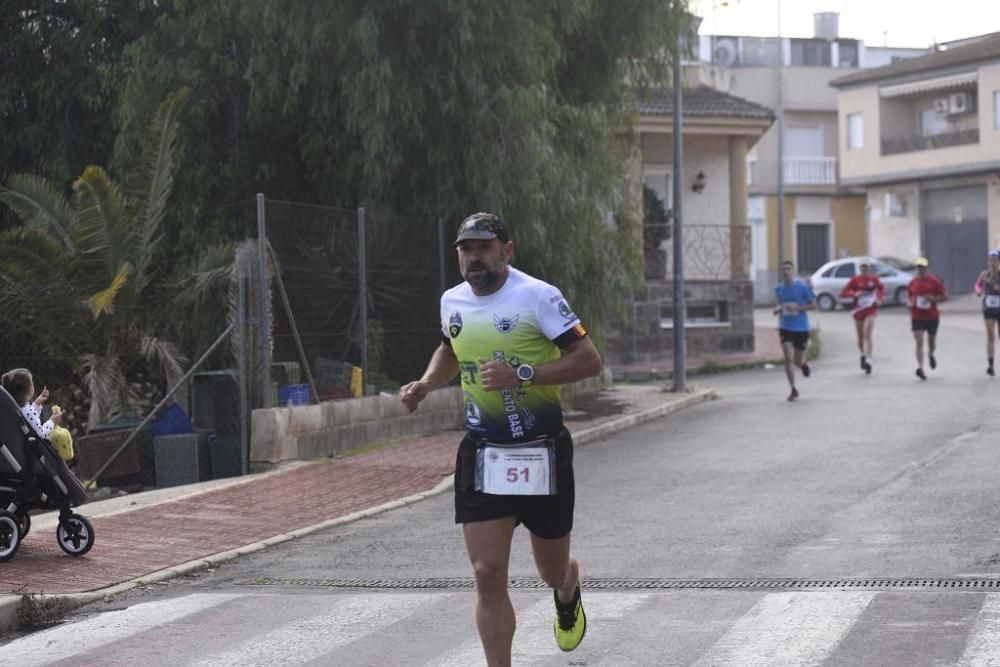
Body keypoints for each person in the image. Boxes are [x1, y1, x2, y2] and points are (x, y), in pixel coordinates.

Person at [400, 212, 601, 665]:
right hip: (484, 451)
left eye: (484, 248)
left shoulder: (538, 296)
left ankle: (568, 585)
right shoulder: (452, 301)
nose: (474, 258)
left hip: (541, 449)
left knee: (550, 572)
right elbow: (451, 348)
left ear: (506, 251)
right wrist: (427, 383)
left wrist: (523, 374)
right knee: (486, 574)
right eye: (466, 249)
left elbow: (589, 360)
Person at [773, 260, 816, 401]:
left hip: (801, 328)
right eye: (783, 269)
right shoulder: (779, 289)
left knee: (797, 361)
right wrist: (778, 310)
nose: (786, 272)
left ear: (793, 271)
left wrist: (797, 308)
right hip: (785, 326)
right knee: (787, 358)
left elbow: (813, 305)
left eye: (788, 269)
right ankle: (793, 389)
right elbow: (781, 305)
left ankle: (802, 364)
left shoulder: (802, 287)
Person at [840, 258, 884, 374]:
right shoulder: (855, 280)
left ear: (869, 268)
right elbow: (843, 293)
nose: (864, 269)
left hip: (870, 309)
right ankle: (863, 355)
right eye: (862, 267)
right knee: (860, 336)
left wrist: (879, 299)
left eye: (866, 267)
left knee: (867, 333)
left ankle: (869, 360)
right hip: (858, 310)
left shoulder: (874, 279)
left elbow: (880, 288)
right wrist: (854, 294)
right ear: (859, 268)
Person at [907, 256, 947, 380]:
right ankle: (921, 368)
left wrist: (934, 299)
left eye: (923, 267)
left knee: (931, 342)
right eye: (918, 267)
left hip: (932, 316)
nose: (920, 269)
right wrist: (909, 304)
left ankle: (931, 354)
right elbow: (909, 298)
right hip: (917, 316)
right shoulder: (912, 283)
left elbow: (945, 296)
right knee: (919, 341)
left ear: (926, 268)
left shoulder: (934, 281)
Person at [1, 368, 62, 438]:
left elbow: (30, 417)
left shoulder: (16, 410)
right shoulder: (26, 413)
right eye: (32, 382)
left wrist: (37, 404)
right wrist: (52, 422)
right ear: (30, 389)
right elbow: (41, 434)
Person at [974, 249, 1000, 376]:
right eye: (991, 260)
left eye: (995, 260)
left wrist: (997, 288)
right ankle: (991, 365)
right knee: (990, 337)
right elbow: (977, 285)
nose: (993, 263)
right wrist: (978, 291)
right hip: (988, 308)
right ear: (988, 262)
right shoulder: (984, 274)